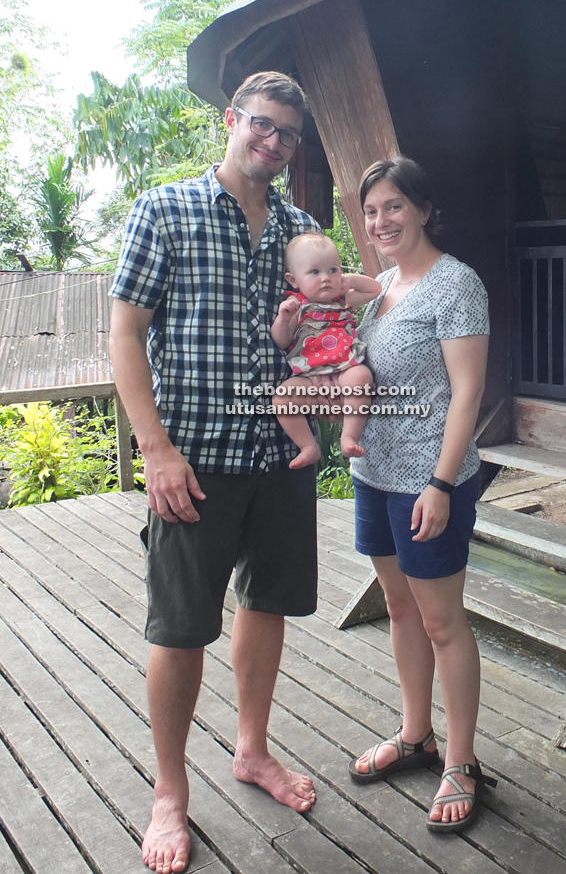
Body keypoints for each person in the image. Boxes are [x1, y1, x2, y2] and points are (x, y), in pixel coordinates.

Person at [109, 71, 322, 874]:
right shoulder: (164, 209)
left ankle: (252, 751)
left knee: (265, 605)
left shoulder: (301, 227)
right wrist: (155, 449)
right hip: (193, 460)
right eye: (262, 126)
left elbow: (318, 328)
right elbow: (125, 334)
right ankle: (169, 792)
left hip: (279, 455)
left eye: (288, 136)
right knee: (181, 625)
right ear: (231, 119)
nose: (272, 143)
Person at [346, 157, 496, 834]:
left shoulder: (456, 284)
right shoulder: (376, 289)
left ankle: (461, 762)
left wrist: (440, 482)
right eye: (372, 210)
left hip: (429, 482)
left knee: (442, 622)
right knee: (401, 611)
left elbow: (467, 392)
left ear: (425, 209)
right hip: (372, 476)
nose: (381, 221)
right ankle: (416, 736)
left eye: (395, 207)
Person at [271, 232, 381, 467]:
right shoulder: (298, 306)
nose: (326, 278)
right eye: (314, 272)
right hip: (310, 379)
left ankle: (349, 435)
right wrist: (282, 318)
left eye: (333, 270)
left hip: (345, 369)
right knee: (282, 398)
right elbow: (281, 341)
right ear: (293, 280)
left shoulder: (342, 300)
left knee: (361, 376)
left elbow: (375, 290)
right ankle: (308, 446)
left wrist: (351, 280)